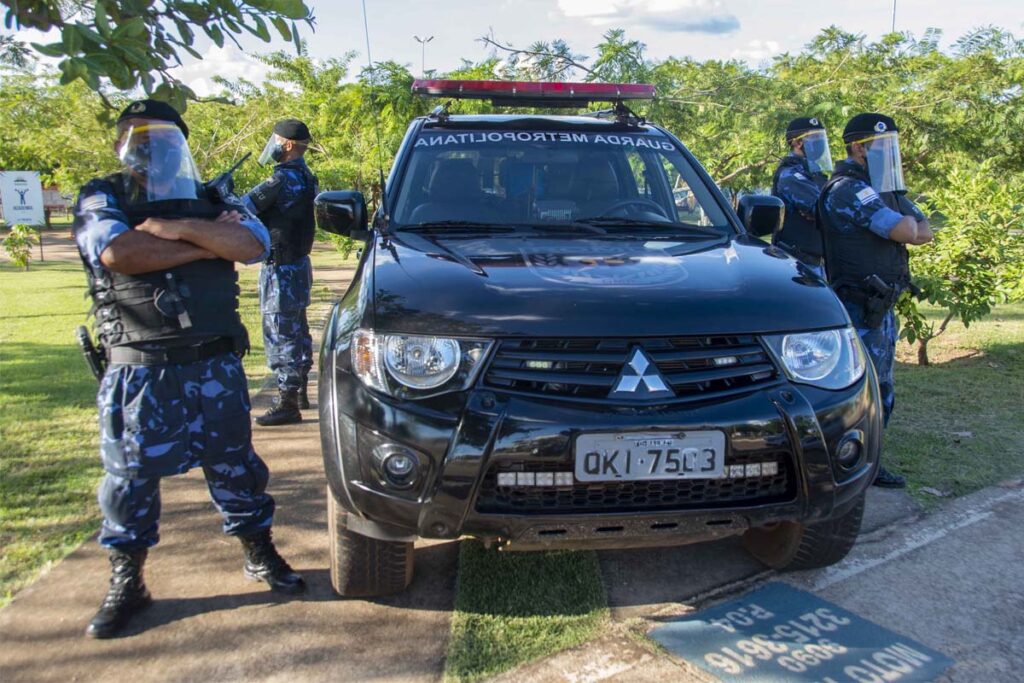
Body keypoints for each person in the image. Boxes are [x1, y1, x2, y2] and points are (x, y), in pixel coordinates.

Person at [73, 100, 305, 639]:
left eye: (161, 138)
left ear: (180, 145)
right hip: (139, 368)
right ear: (121, 145)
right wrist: (204, 243)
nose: (150, 149)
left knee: (236, 466)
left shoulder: (211, 197)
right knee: (130, 478)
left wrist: (173, 228)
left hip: (212, 364)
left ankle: (259, 553)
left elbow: (251, 244)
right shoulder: (102, 196)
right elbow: (119, 253)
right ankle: (128, 580)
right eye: (137, 138)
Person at [819, 113, 934, 489]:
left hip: (879, 306)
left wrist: (906, 221)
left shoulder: (882, 188)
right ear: (858, 148)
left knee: (882, 387)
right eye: (882, 146)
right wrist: (906, 223)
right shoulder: (849, 189)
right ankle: (852, 463)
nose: (891, 153)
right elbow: (905, 229)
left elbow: (925, 231)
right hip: (858, 306)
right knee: (861, 389)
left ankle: (869, 461)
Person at [243, 119, 319, 426]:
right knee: (297, 328)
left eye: (275, 140)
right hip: (299, 264)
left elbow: (244, 207)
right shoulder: (308, 178)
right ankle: (299, 391)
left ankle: (287, 401)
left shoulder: (279, 180)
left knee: (279, 330)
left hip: (280, 267)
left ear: (287, 144)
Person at [771, 116, 833, 276]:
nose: (820, 143)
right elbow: (824, 210)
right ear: (798, 142)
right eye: (815, 138)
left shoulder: (814, 172)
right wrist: (821, 210)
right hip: (796, 265)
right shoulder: (790, 174)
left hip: (817, 261)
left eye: (821, 138)